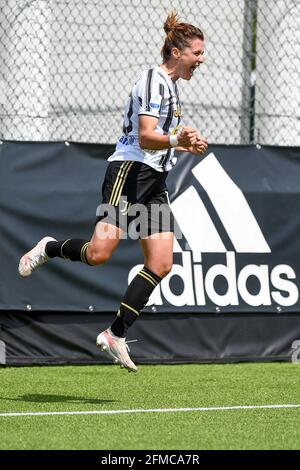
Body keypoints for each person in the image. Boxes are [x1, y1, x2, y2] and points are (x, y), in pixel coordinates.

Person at [18, 12, 208, 373]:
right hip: (129, 174)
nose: (201, 60)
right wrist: (174, 138)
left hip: (153, 181)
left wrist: (185, 144)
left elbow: (161, 140)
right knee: (99, 254)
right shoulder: (153, 80)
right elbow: (144, 136)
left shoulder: (170, 85)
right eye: (196, 53)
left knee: (161, 263)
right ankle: (49, 247)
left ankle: (115, 334)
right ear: (176, 51)